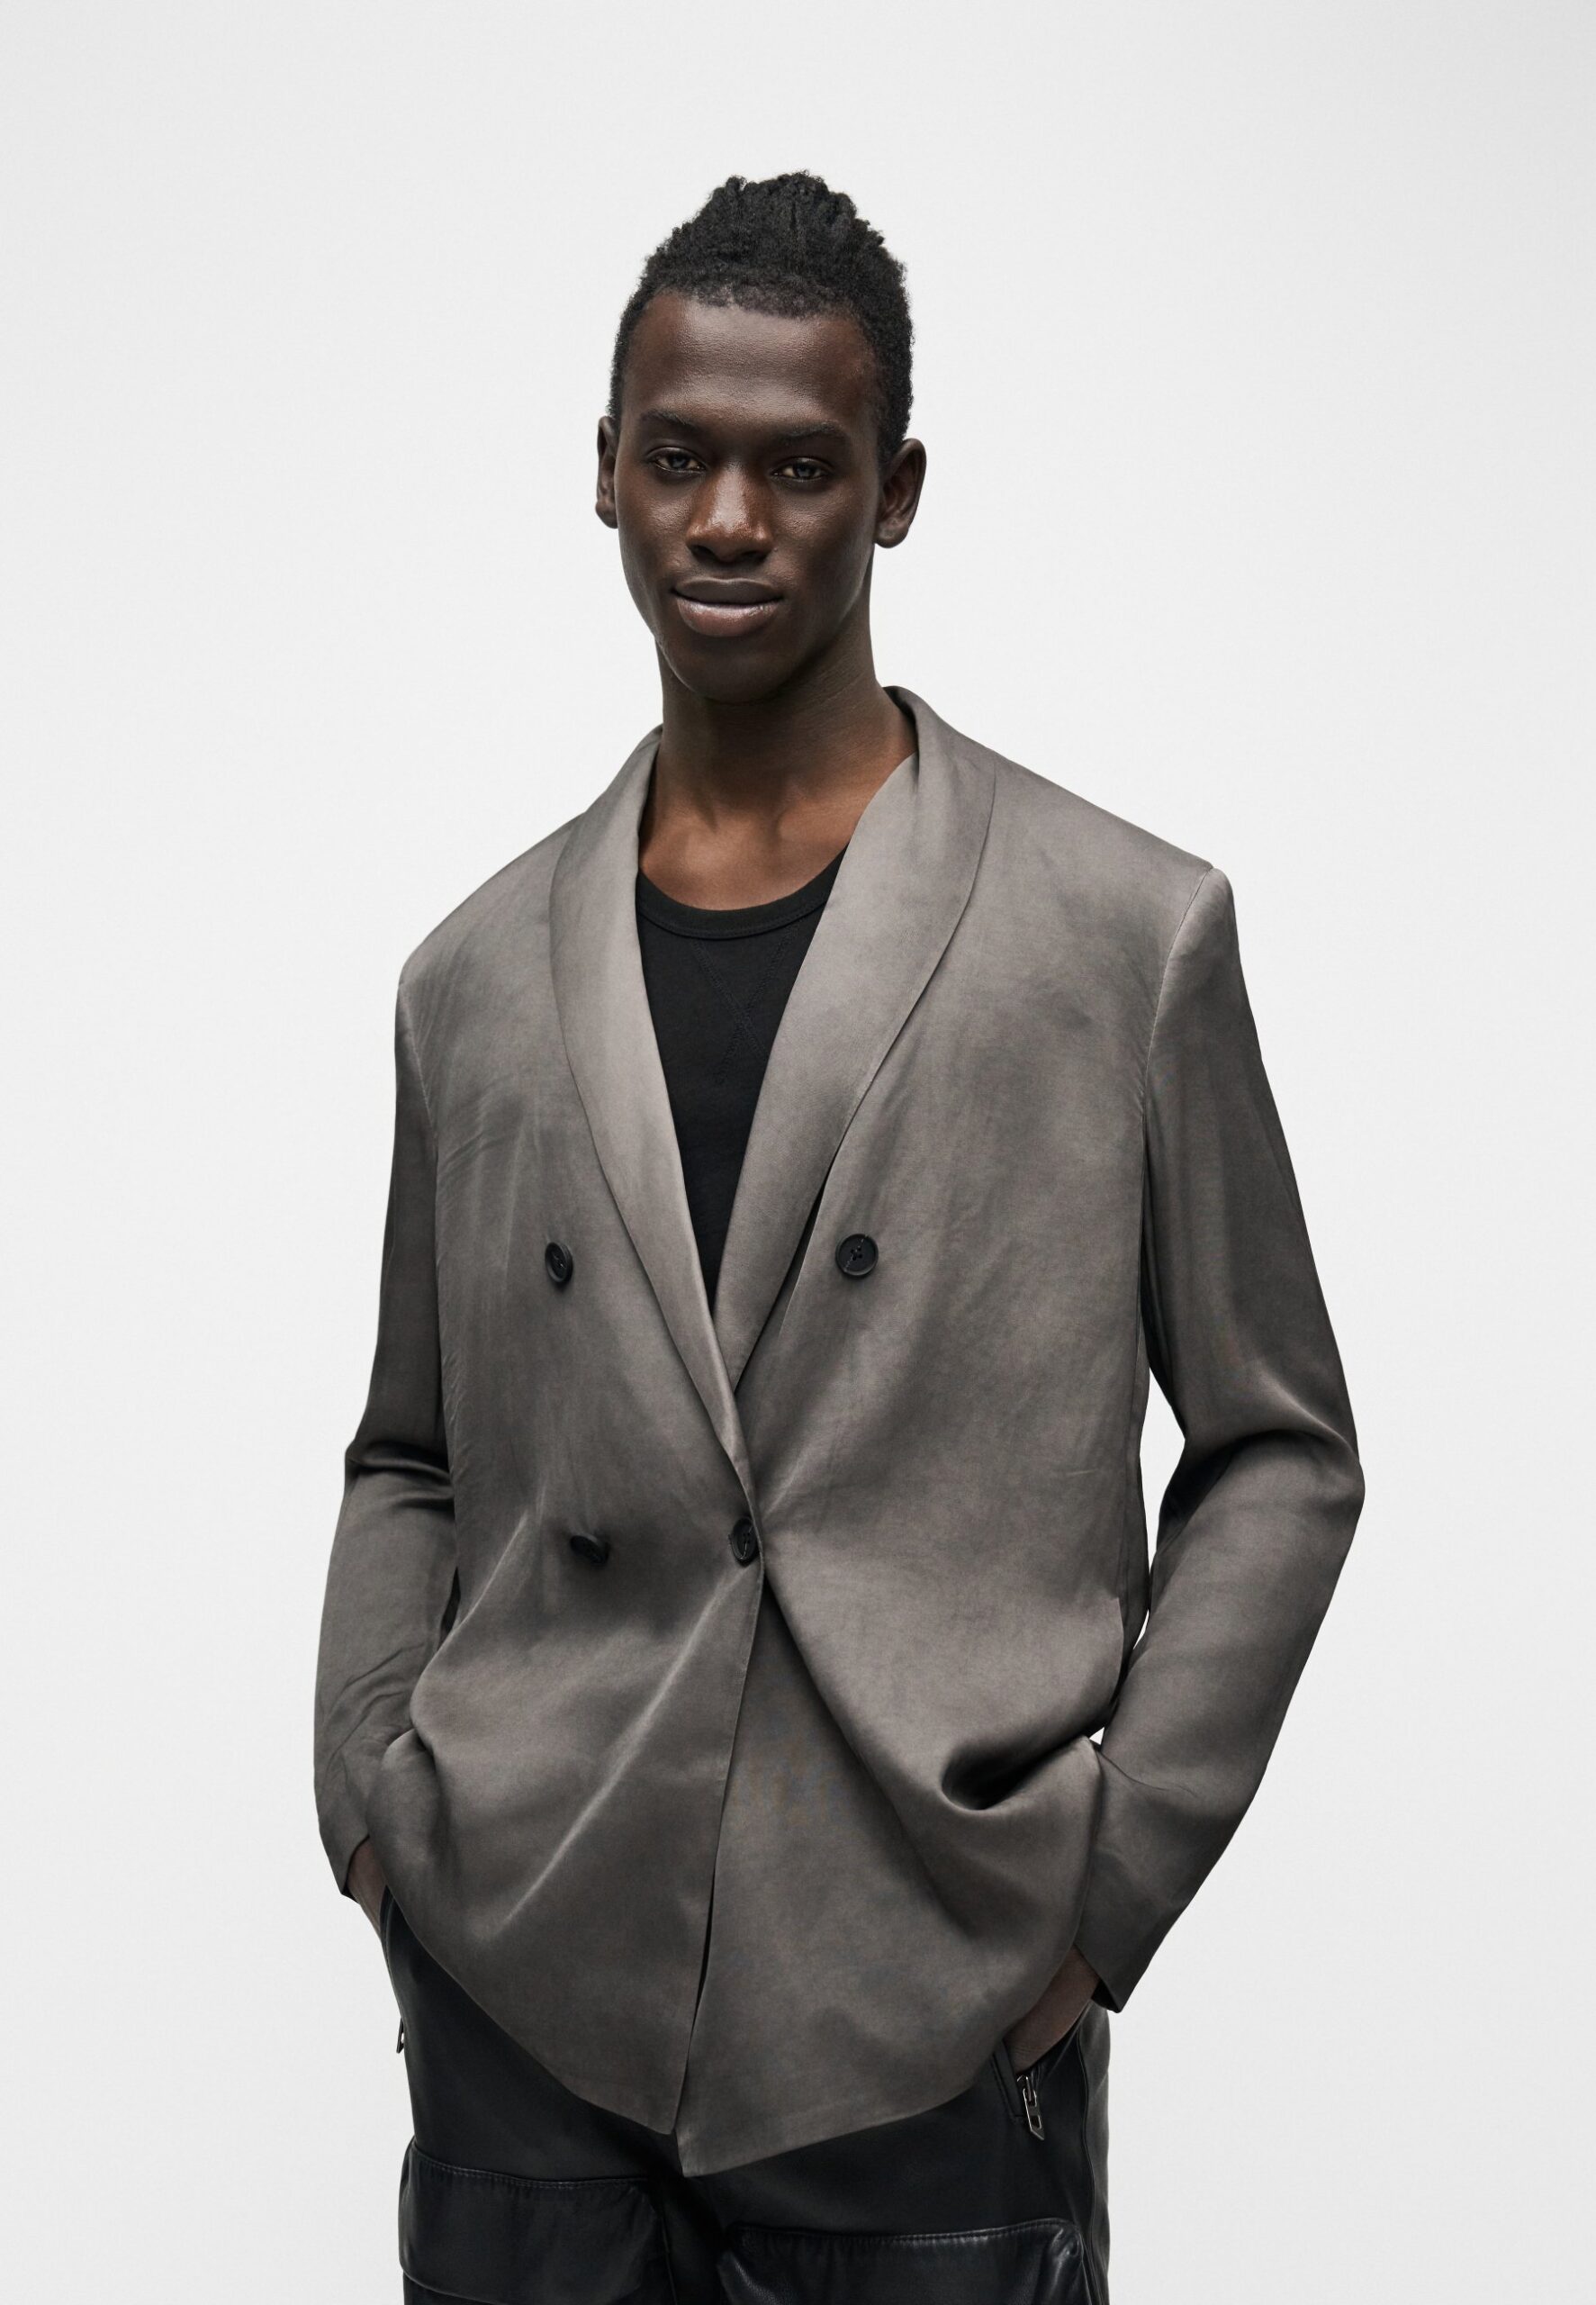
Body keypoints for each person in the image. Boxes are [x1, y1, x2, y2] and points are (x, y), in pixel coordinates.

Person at [313, 171, 1364, 2304]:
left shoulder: (1118, 931)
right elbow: (408, 1450)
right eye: (676, 455)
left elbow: (1278, 1443)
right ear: (602, 471)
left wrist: (1107, 1877)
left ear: (893, 491)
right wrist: (376, 1805)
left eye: (797, 466)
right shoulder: (472, 975)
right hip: (529, 1984)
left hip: (918, 1997)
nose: (726, 519)